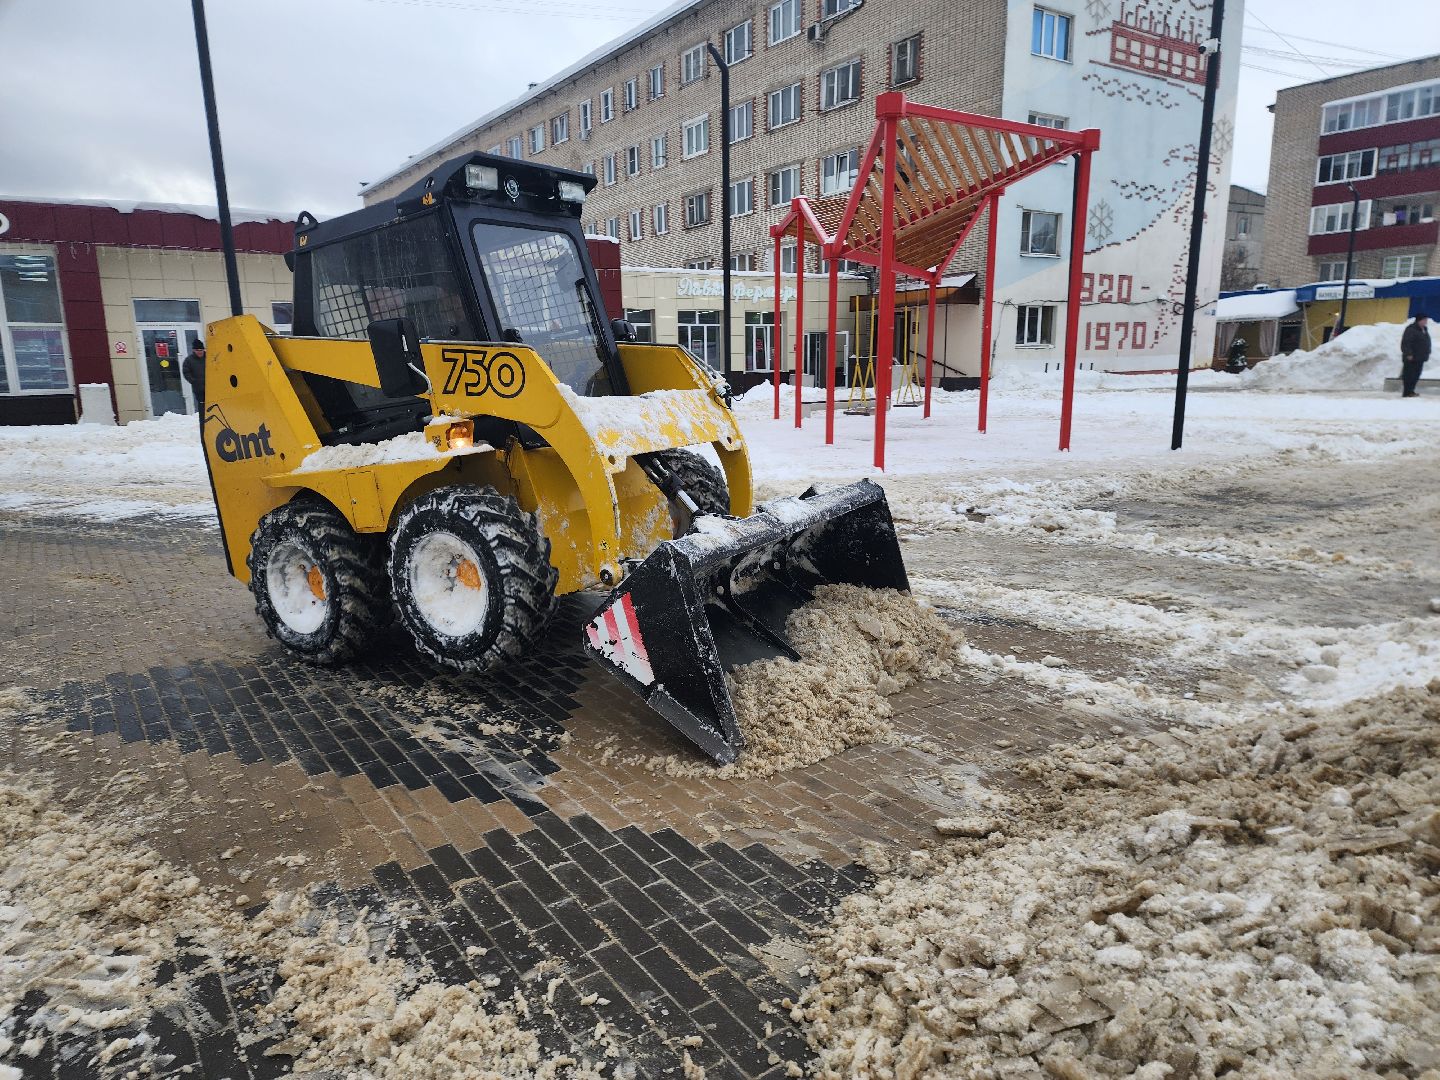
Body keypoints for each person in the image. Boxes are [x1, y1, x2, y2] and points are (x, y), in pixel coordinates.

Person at [1400, 314, 1430, 398]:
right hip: (1411, 357)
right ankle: (1407, 392)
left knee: (1416, 375)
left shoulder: (1424, 329)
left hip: (1420, 357)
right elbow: (1406, 343)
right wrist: (1408, 354)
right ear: (1419, 320)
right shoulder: (1411, 329)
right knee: (1409, 375)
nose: (1426, 322)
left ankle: (1411, 391)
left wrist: (1427, 352)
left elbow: (1426, 341)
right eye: (1424, 320)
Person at [181, 340, 206, 411]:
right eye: (197, 350)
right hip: (199, 389)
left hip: (211, 388)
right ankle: (203, 422)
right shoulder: (189, 360)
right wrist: (194, 381)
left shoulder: (209, 358)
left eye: (201, 350)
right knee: (202, 408)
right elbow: (186, 372)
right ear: (194, 350)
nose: (200, 352)